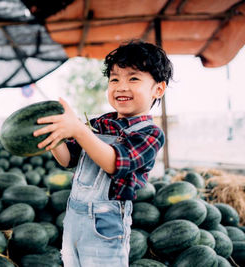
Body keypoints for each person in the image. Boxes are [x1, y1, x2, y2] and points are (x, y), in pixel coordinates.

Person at [33, 39, 173, 267]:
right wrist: (54, 137)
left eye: (133, 78)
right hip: (74, 217)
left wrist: (79, 129)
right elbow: (68, 159)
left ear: (158, 88)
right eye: (114, 79)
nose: (121, 86)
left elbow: (115, 163)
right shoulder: (101, 123)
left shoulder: (150, 134)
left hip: (105, 224)